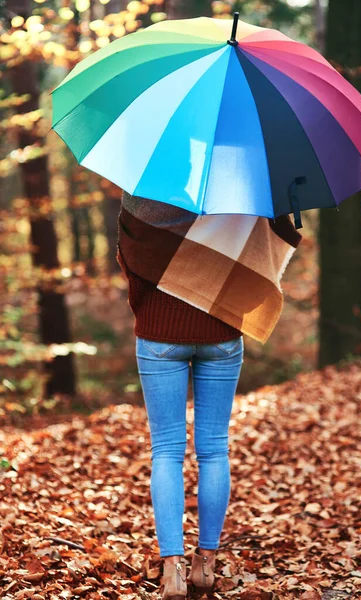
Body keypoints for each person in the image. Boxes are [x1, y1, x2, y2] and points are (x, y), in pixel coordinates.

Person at [117, 205, 244, 600]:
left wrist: (148, 309)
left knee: (167, 451)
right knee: (214, 449)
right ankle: (205, 563)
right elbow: (261, 255)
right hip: (221, 328)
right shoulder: (240, 188)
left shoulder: (144, 188)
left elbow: (128, 256)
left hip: (159, 330)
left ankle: (172, 569)